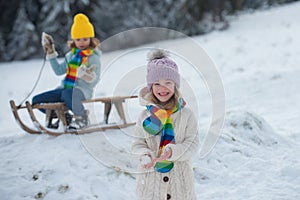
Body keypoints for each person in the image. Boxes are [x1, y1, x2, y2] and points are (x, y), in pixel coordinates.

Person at [131, 49, 200, 200]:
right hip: (151, 187)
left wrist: (173, 151)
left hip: (180, 186)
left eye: (168, 83)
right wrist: (144, 155)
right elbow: (137, 144)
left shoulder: (186, 115)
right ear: (151, 87)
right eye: (157, 84)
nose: (162, 89)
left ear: (175, 85)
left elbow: (192, 143)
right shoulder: (144, 116)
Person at [32, 13, 101, 130]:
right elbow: (59, 71)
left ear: (91, 39)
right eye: (78, 39)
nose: (82, 42)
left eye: (85, 39)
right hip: (65, 89)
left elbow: (94, 80)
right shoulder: (71, 56)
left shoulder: (93, 57)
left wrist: (86, 75)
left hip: (82, 90)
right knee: (37, 100)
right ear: (74, 40)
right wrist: (51, 54)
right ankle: (64, 116)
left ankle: (82, 117)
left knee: (68, 94)